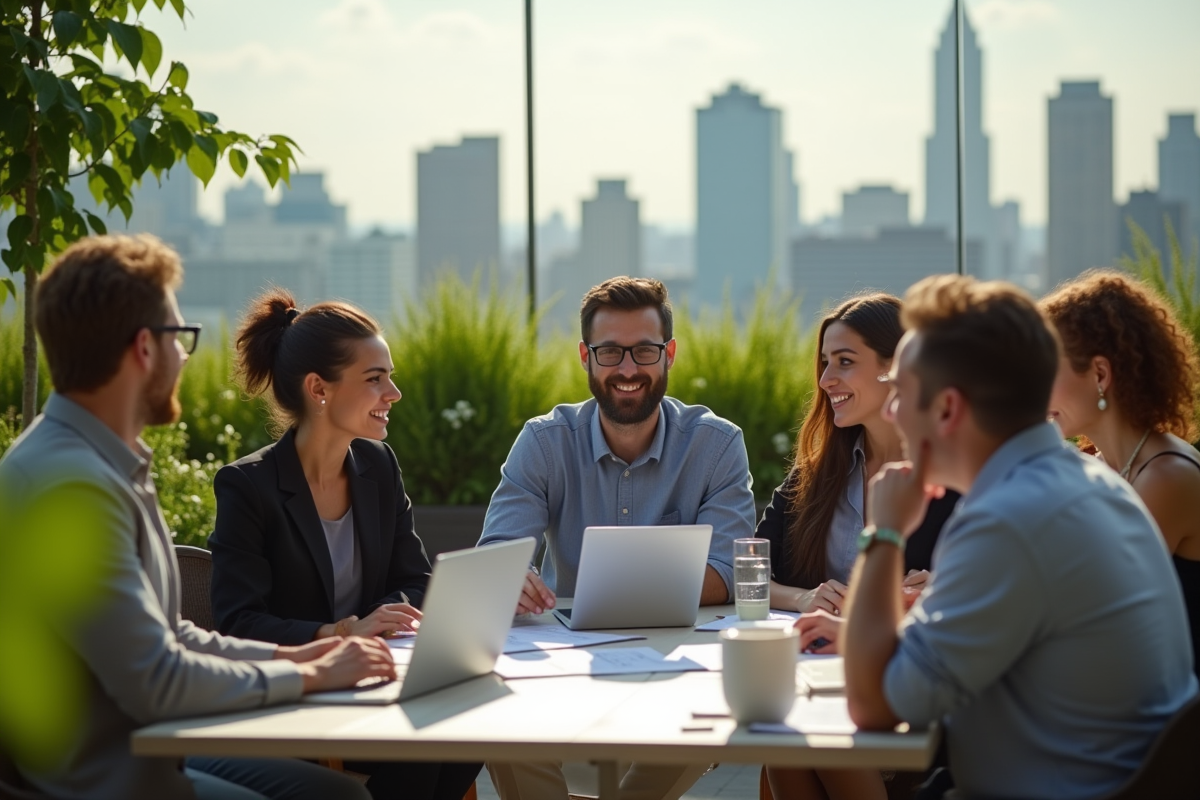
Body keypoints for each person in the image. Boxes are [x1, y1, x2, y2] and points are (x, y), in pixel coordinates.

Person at [0, 235, 395, 800]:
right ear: (143, 348)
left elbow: (168, 636)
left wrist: (300, 652)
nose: (185, 357)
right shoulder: (72, 486)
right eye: (180, 338)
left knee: (339, 794)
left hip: (150, 746)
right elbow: (156, 679)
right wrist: (312, 675)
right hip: (104, 777)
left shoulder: (99, 460)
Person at [838, 274, 1196, 799]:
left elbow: (872, 704)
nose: (890, 413)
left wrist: (884, 531)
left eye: (901, 394)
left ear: (947, 409)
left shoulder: (1008, 519)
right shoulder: (1089, 481)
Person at [479, 276, 756, 800]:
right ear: (586, 356)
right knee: (498, 721)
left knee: (723, 699)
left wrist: (614, 585)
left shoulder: (716, 445)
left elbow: (729, 573)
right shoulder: (543, 441)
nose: (628, 369)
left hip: (680, 667)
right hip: (564, 665)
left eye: (645, 351)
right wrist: (513, 578)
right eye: (610, 351)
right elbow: (497, 556)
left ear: (668, 353)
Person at [208, 289, 483, 800]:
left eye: (390, 377)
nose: (393, 393)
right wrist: (343, 631)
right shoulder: (248, 486)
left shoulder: (379, 466)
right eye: (375, 379)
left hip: (378, 683)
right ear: (320, 389)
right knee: (423, 746)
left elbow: (414, 579)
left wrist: (386, 618)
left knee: (468, 728)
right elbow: (237, 622)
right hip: (300, 695)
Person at [756, 294, 958, 800]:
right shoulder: (817, 473)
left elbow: (979, 589)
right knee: (786, 740)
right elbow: (751, 567)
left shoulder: (953, 477)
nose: (825, 380)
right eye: (825, 364)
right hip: (819, 676)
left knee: (798, 740)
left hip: (906, 692)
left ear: (897, 367)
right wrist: (799, 598)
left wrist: (937, 588)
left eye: (845, 363)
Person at [1041, 270, 1200, 680]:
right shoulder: (1102, 465)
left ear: (1099, 375)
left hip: (1169, 723)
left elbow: (1089, 608)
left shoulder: (1168, 475)